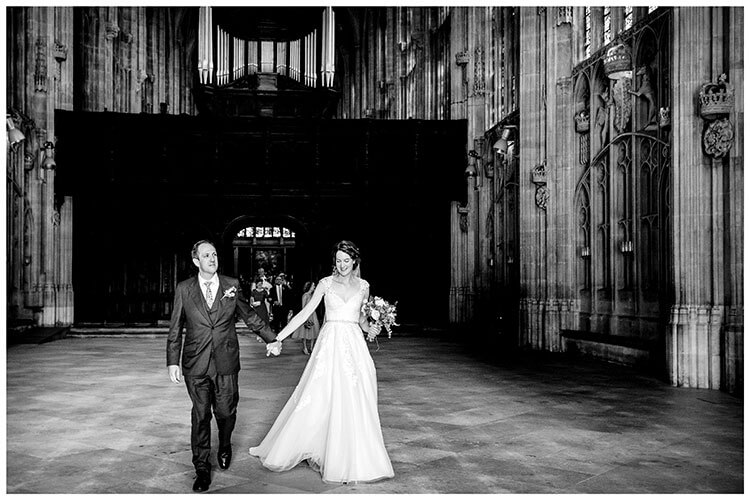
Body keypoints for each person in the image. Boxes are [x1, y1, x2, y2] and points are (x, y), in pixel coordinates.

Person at [249, 240, 394, 484]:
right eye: (338, 260)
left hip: (355, 346)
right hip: (330, 345)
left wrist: (375, 327)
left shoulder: (364, 286)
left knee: (356, 396)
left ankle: (354, 454)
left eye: (346, 260)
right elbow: (306, 313)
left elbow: (361, 321)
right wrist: (277, 337)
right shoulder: (326, 284)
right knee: (321, 395)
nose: (342, 265)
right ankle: (316, 446)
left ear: (355, 261)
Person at [166, 240, 281, 492]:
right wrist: (172, 361)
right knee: (200, 415)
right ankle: (202, 468)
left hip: (226, 361)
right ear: (196, 261)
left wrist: (272, 338)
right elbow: (175, 327)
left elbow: (249, 315)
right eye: (206, 255)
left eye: (214, 254)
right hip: (195, 363)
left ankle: (225, 443)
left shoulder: (231, 285)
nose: (212, 258)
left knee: (226, 412)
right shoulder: (184, 289)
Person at [290, 281, 320, 354]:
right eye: (313, 286)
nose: (314, 287)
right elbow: (303, 306)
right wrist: (305, 316)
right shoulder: (305, 295)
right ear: (309, 287)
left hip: (313, 314)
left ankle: (311, 347)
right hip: (307, 314)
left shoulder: (312, 295)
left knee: (313, 331)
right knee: (305, 331)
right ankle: (305, 348)